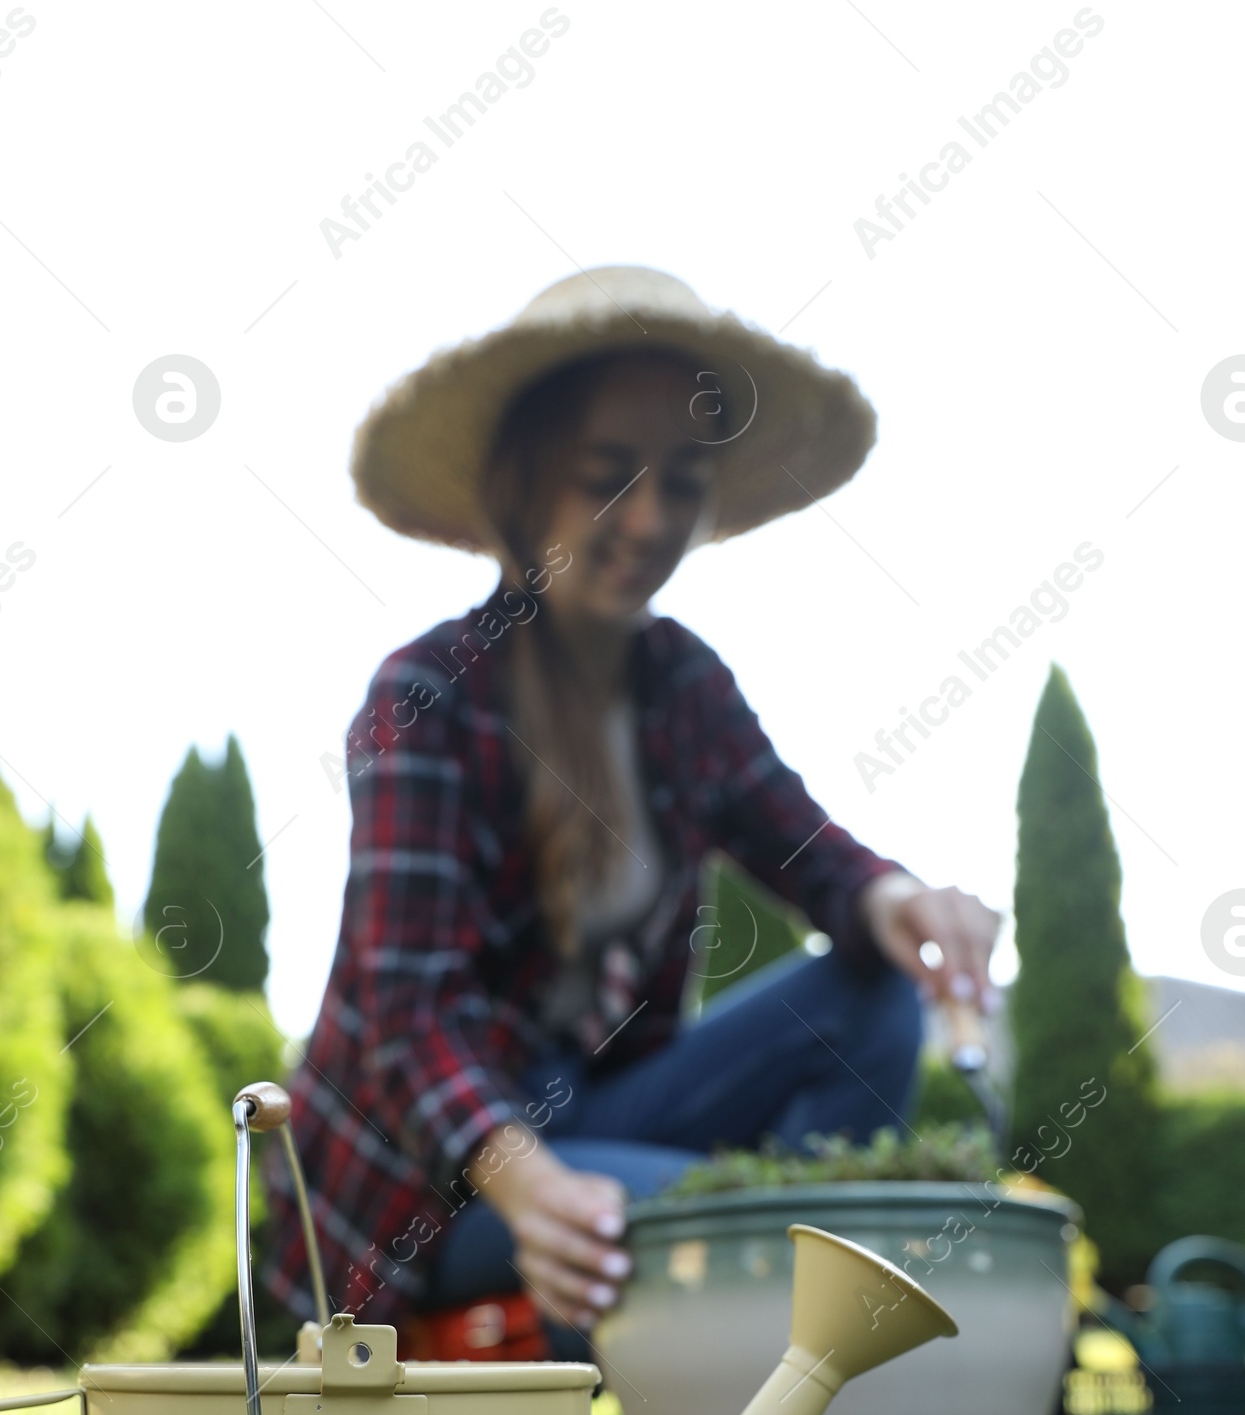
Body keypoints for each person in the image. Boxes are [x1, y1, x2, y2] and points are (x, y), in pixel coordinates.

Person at [266, 267, 999, 1350]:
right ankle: (764, 1298)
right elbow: (405, 1008)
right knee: (693, 1218)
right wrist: (524, 1182)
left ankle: (765, 1321)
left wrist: (898, 902)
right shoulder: (426, 696)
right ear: (526, 488)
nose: (649, 520)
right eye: (608, 477)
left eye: (682, 483)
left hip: (601, 1110)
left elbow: (807, 849)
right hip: (438, 1179)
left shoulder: (681, 685)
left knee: (873, 996)